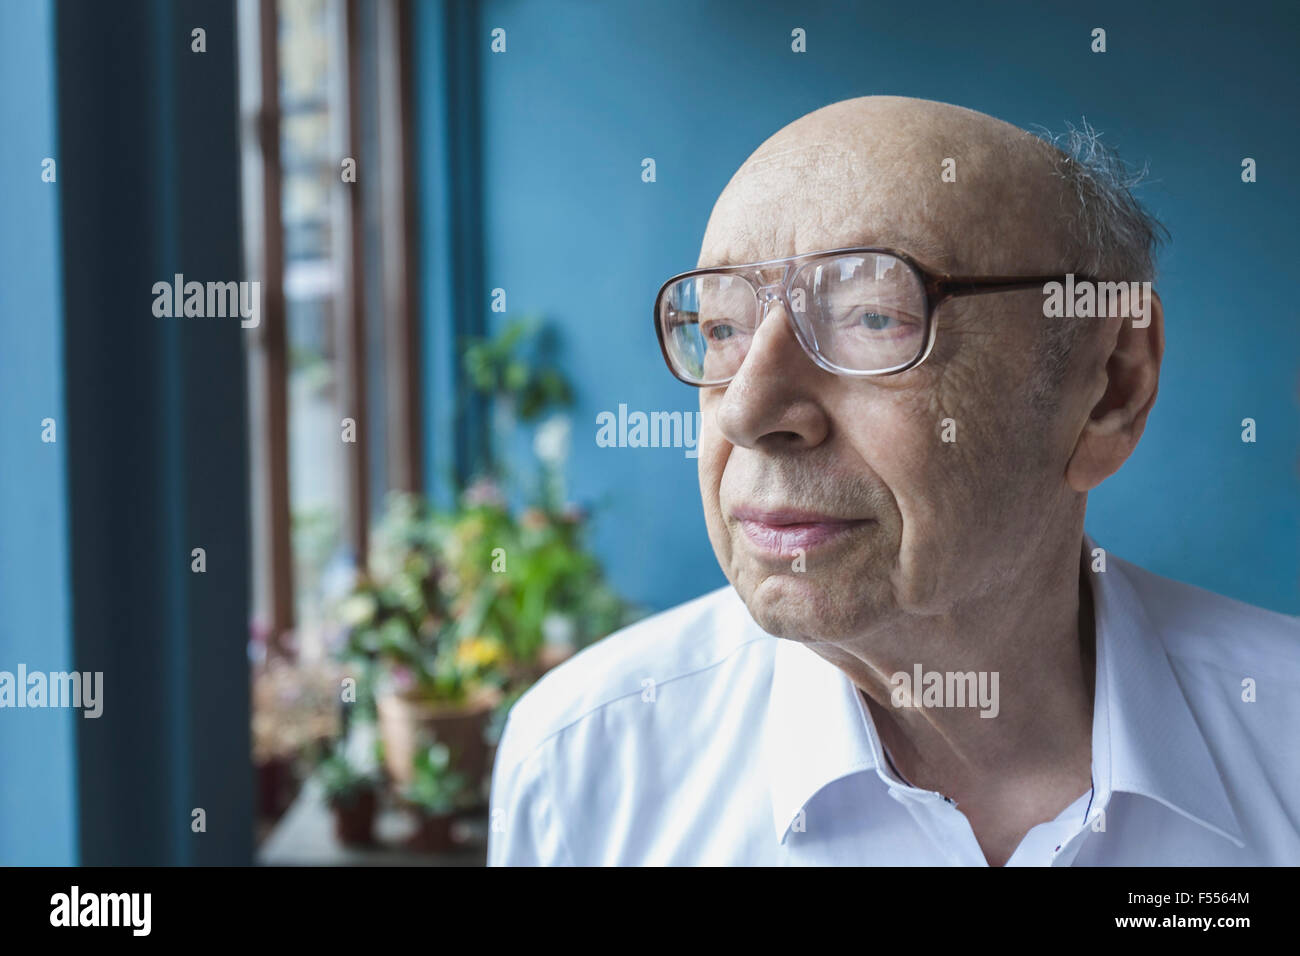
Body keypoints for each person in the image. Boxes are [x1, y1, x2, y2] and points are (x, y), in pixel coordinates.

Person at [487, 96, 1299, 866]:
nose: (748, 410)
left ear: (1109, 387)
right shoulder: (582, 767)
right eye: (722, 328)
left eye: (875, 315)